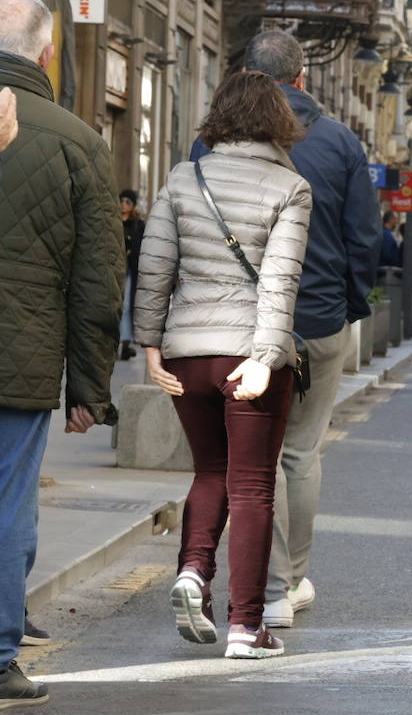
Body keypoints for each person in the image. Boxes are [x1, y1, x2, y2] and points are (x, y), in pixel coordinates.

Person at [191, 32, 380, 631]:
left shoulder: (211, 142)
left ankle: (269, 591)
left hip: (239, 326)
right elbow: (364, 240)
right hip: (318, 319)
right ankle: (289, 582)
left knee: (252, 458)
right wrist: (344, 307)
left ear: (246, 73)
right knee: (300, 453)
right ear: (301, 79)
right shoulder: (341, 141)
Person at [136, 70, 312, 659]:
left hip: (189, 356)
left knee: (210, 473)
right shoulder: (291, 187)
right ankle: (245, 626)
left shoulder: (185, 177)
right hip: (249, 355)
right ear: (278, 122)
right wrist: (264, 357)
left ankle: (192, 572)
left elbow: (154, 264)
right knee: (254, 486)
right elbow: (279, 284)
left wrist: (150, 345)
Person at [0, 0, 123, 708]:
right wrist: (90, 387)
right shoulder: (78, 140)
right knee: (9, 506)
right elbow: (98, 281)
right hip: (21, 361)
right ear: (45, 55)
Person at [118, 189, 145, 361]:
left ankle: (125, 341)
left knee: (126, 305)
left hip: (129, 271)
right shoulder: (112, 221)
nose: (124, 204)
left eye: (128, 201)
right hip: (114, 270)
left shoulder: (138, 225)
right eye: (122, 200)